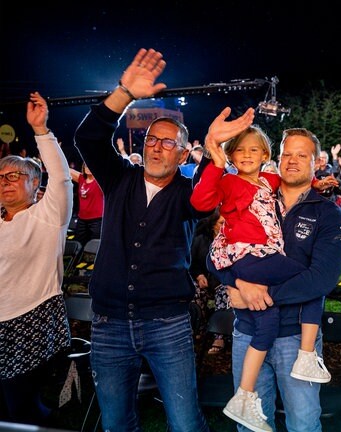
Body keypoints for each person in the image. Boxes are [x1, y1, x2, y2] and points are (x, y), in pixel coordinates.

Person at [73, 48, 210, 431]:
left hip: (167, 323)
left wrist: (215, 150)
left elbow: (211, 193)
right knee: (117, 423)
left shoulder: (188, 193)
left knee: (185, 423)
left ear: (183, 152)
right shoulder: (119, 179)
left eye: (169, 143)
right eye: (152, 139)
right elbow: (88, 137)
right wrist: (125, 94)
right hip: (109, 322)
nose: (156, 147)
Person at [190, 120, 331, 432]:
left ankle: (244, 396)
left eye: (254, 149)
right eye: (239, 150)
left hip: (265, 302)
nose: (247, 155)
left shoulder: (269, 181)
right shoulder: (228, 181)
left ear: (265, 154)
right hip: (251, 257)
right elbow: (200, 203)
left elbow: (291, 181)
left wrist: (317, 186)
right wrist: (215, 163)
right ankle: (306, 354)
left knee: (266, 325)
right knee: (306, 277)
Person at [223, 127, 341, 432]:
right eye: (287, 154)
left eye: (301, 155)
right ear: (276, 159)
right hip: (246, 331)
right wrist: (235, 284)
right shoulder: (252, 199)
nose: (292, 161)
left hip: (295, 338)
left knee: (303, 425)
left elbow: (320, 280)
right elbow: (216, 252)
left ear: (317, 161)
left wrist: (258, 293)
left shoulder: (329, 214)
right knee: (250, 425)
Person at [0, 92, 73, 425]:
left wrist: (41, 131)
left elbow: (60, 179)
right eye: (1, 177)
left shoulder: (47, 217)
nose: (5, 183)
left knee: (22, 407)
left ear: (34, 185)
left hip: (34, 318)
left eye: (14, 176)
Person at [189, 208, 228, 352]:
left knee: (225, 293)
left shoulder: (231, 243)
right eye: (221, 223)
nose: (224, 226)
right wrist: (199, 275)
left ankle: (220, 337)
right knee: (194, 291)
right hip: (204, 281)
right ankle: (198, 330)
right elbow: (192, 264)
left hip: (222, 283)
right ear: (213, 225)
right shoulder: (201, 241)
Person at [69, 162, 104, 246]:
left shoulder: (100, 181)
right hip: (82, 220)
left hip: (97, 220)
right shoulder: (81, 178)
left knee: (94, 246)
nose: (88, 167)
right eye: (86, 165)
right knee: (78, 244)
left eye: (90, 165)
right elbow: (64, 168)